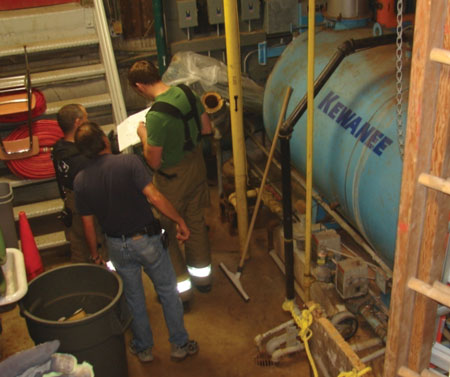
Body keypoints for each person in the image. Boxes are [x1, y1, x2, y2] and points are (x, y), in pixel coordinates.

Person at [73, 122, 198, 363]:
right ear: (104, 140)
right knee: (167, 292)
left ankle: (144, 349)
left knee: (133, 298)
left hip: (117, 246)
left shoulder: (81, 181)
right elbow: (155, 196)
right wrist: (179, 220)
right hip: (147, 240)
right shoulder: (128, 163)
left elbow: (88, 225)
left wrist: (95, 253)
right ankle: (180, 345)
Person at [128, 60, 213, 305]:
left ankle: (182, 293)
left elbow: (153, 162)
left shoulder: (155, 117)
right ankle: (203, 280)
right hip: (196, 168)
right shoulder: (188, 92)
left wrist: (144, 135)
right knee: (195, 221)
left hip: (172, 179)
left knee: (166, 230)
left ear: (139, 86)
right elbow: (206, 129)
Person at [52, 104, 108, 264]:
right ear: (78, 122)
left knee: (78, 249)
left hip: (70, 206)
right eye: (86, 117)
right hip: (87, 209)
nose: (88, 121)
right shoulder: (82, 159)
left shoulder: (60, 149)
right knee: (98, 249)